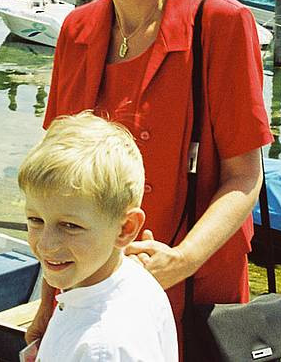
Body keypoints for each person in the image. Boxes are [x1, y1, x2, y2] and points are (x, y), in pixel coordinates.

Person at [28, 0, 272, 359]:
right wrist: (46, 311)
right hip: (91, 285)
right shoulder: (76, 30)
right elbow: (57, 191)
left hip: (200, 280)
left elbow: (245, 177)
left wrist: (183, 260)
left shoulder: (221, 25)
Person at [18, 111, 177, 362]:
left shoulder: (101, 348)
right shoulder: (135, 282)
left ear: (125, 229)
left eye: (70, 226)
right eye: (36, 220)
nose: (45, 245)